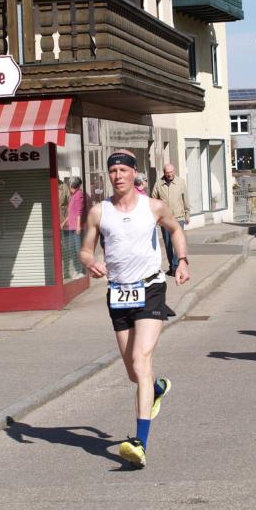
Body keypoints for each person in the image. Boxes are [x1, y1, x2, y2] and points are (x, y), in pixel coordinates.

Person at [80, 150, 190, 468]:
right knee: (133, 372)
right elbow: (85, 250)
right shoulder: (99, 212)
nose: (118, 176)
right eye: (113, 171)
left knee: (142, 360)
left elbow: (176, 230)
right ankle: (155, 389)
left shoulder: (153, 206)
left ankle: (139, 443)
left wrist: (182, 261)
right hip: (118, 293)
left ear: (134, 173)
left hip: (151, 288)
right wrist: (91, 262)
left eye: (123, 170)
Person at [150, 163, 190, 276]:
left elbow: (185, 199)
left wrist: (187, 214)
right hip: (165, 219)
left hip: (179, 217)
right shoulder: (159, 184)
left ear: (174, 171)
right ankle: (172, 266)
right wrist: (156, 217)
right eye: (167, 173)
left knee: (177, 242)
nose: (170, 174)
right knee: (168, 244)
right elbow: (153, 200)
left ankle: (176, 266)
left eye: (171, 172)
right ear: (164, 173)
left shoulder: (181, 182)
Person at [62, 177, 86, 278]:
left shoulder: (79, 194)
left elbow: (79, 212)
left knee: (77, 249)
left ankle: (81, 271)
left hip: (76, 228)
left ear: (72, 185)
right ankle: (77, 269)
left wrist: (78, 226)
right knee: (72, 249)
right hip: (71, 227)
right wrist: (64, 222)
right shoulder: (73, 196)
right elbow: (71, 213)